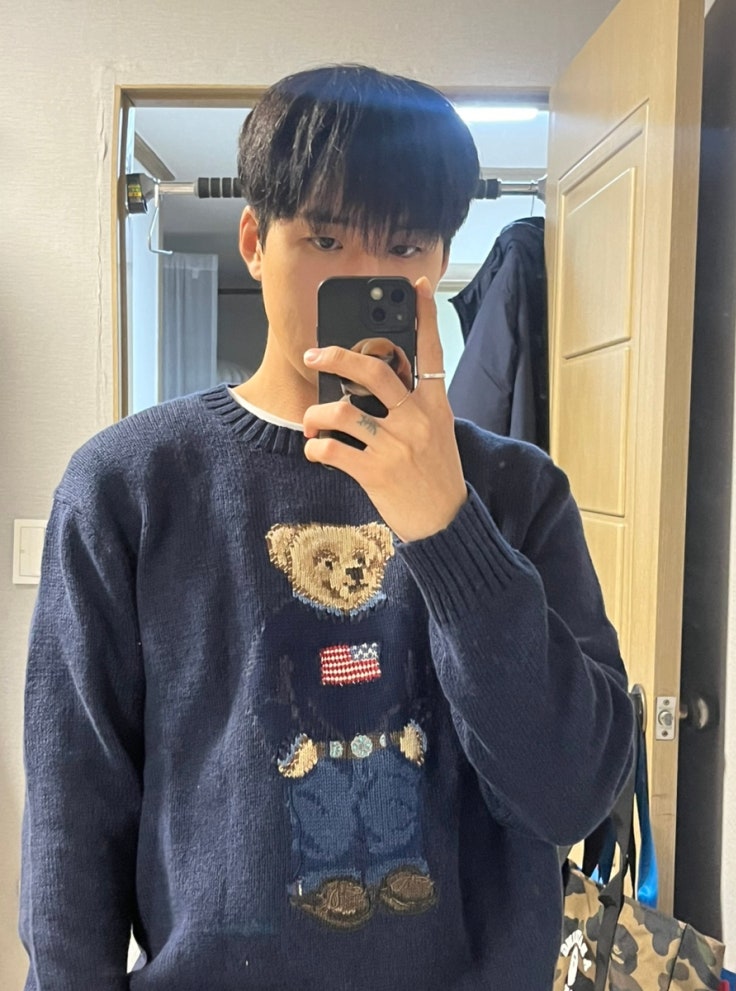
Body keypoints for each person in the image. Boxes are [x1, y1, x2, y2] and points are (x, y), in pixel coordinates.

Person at [19, 64, 635, 990]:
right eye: (324, 236)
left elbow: (570, 793)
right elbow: (73, 817)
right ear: (253, 241)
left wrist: (447, 523)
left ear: (440, 260)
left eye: (404, 243)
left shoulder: (516, 490)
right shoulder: (127, 488)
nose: (364, 274)